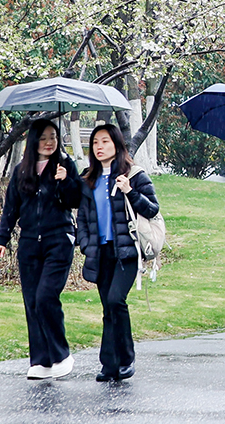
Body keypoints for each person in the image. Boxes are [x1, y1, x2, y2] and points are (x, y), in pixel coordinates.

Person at [0, 119, 82, 380]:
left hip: (59, 240)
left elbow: (75, 200)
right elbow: (11, 207)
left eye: (53, 136)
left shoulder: (64, 166)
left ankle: (61, 355)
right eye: (43, 137)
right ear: (34, 140)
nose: (49, 142)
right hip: (30, 243)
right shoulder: (22, 170)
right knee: (32, 302)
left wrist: (65, 181)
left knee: (46, 297)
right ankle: (41, 361)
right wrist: (2, 239)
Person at [77, 124, 159, 381]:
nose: (99, 147)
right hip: (100, 252)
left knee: (115, 301)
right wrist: (84, 244)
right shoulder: (87, 178)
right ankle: (108, 365)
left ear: (117, 144)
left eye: (105, 142)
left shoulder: (134, 175)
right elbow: (82, 217)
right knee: (107, 308)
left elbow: (152, 209)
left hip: (126, 251)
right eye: (95, 143)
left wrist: (129, 191)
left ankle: (125, 359)